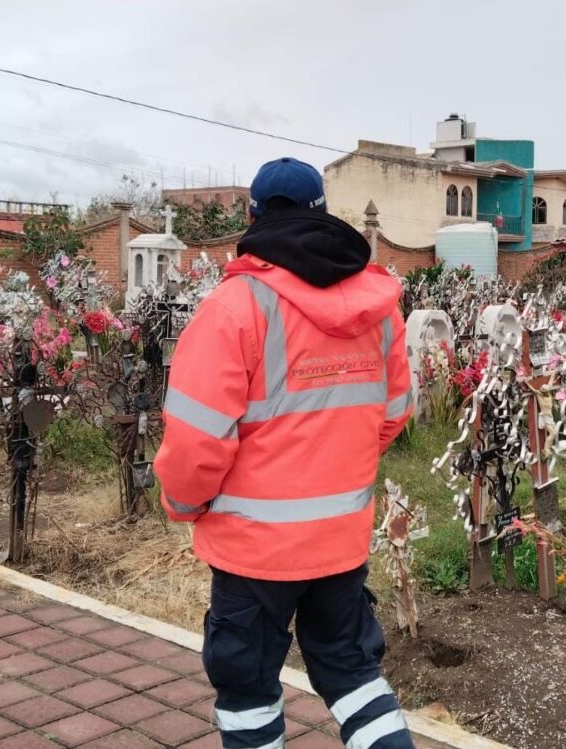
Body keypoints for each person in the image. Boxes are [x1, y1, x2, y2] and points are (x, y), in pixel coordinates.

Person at [155, 156, 416, 749]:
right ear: (324, 213)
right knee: (353, 674)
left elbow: (196, 442)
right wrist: (336, 468)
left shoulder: (233, 308)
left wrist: (184, 504)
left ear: (252, 216)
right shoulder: (378, 310)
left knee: (247, 690)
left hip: (253, 555)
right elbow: (394, 412)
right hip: (340, 541)